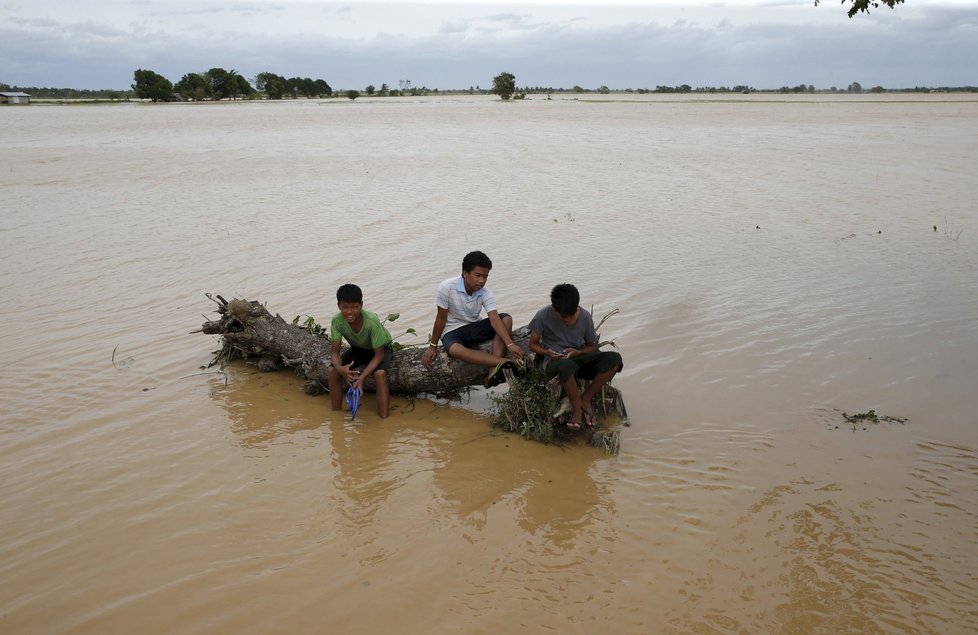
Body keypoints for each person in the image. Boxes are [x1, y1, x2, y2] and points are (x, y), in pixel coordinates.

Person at [421, 250, 525, 387]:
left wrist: (510, 344)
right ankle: (502, 362)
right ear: (465, 273)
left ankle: (493, 370)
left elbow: (494, 318)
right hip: (453, 331)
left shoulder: (485, 292)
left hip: (474, 326)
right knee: (455, 350)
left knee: (505, 319)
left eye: (485, 276)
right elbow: (441, 318)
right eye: (478, 275)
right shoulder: (446, 287)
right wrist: (432, 346)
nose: (481, 280)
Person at [528, 283, 623, 429]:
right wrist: (547, 352)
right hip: (554, 361)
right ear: (554, 309)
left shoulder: (584, 317)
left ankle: (586, 398)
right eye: (563, 316)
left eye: (571, 315)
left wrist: (578, 352)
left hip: (577, 358)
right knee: (567, 365)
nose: (567, 320)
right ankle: (577, 410)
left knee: (615, 359)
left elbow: (591, 346)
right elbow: (532, 345)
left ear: (576, 307)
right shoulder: (543, 315)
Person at [327, 283, 393, 418]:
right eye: (345, 307)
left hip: (381, 350)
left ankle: (384, 419)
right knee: (332, 370)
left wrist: (361, 378)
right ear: (339, 306)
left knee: (380, 374)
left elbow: (379, 355)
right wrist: (340, 369)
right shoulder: (337, 321)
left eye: (354, 307)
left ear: (361, 305)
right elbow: (334, 352)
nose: (349, 312)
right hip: (358, 349)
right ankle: (336, 414)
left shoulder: (371, 321)